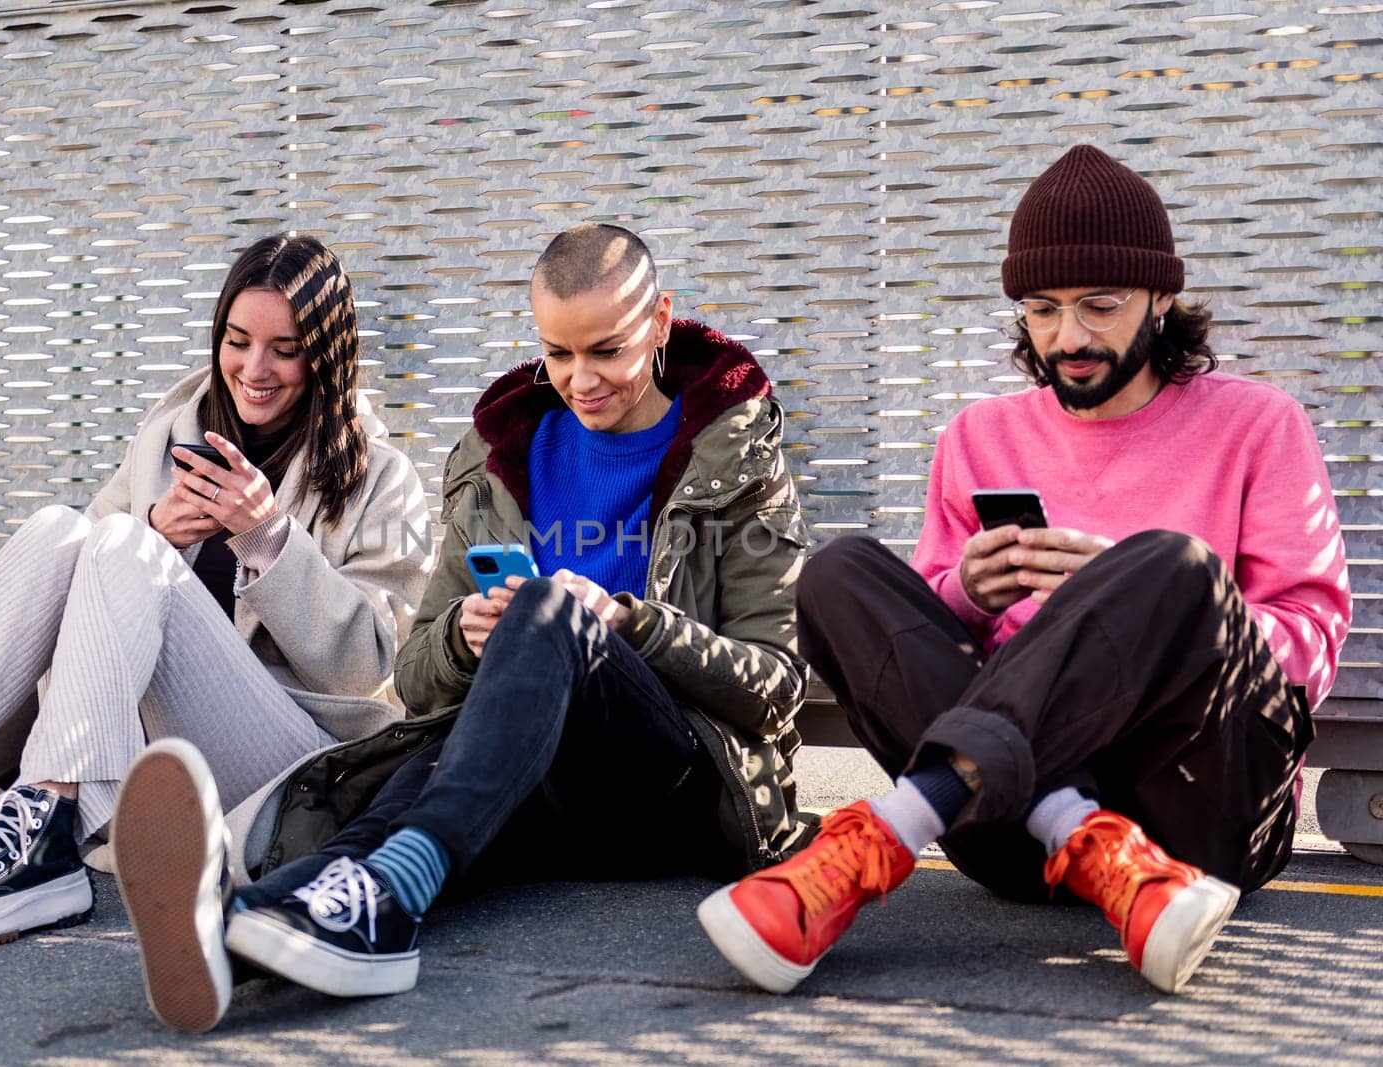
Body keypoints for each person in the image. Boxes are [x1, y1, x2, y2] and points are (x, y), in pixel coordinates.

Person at [106, 222, 811, 1031]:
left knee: (546, 610)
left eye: (606, 351)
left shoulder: (736, 459)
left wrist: (627, 621)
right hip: (525, 773)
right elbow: (413, 677)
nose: (582, 380)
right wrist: (461, 638)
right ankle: (249, 920)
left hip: (673, 782)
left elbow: (777, 690)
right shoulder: (500, 457)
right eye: (558, 353)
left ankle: (388, 890)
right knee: (430, 760)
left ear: (660, 322)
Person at [699, 144, 1353, 996]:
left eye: (1099, 306)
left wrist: (1148, 598)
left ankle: (888, 833)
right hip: (1015, 832)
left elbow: (1310, 644)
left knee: (1174, 565)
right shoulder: (980, 436)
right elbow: (921, 641)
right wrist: (968, 593)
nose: (1068, 337)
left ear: (1162, 298)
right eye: (1043, 310)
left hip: (1201, 808)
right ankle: (1086, 836)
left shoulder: (1256, 423)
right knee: (839, 574)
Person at [0, 235, 434, 947]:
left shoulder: (382, 477)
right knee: (63, 529)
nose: (254, 368)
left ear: (325, 355)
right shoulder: (169, 434)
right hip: (147, 739)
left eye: (285, 348)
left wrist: (268, 536)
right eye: (237, 341)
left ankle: (49, 833)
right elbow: (74, 593)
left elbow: (368, 666)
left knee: (122, 541)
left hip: (284, 760)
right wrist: (159, 531)